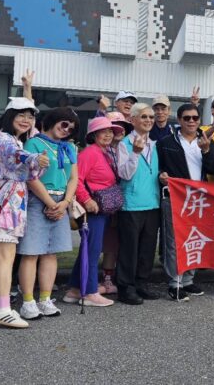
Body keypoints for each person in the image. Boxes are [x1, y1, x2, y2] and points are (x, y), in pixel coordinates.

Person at [0, 97, 48, 329]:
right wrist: (35, 158)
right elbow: (18, 156)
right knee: (6, 258)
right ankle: (4, 309)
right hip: (5, 208)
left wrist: (35, 161)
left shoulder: (6, 138)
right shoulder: (6, 139)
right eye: (21, 115)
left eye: (30, 116)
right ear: (9, 117)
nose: (26, 120)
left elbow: (24, 166)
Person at [17, 107, 79, 319]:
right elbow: (31, 177)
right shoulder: (34, 143)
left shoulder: (69, 148)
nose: (67, 130)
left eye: (71, 128)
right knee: (31, 252)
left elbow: (74, 178)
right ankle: (28, 302)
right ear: (53, 120)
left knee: (51, 253)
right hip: (39, 200)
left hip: (61, 201)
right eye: (64, 124)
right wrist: (51, 203)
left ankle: (45, 298)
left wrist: (65, 203)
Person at [62, 117, 131, 307]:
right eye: (103, 131)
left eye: (111, 131)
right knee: (92, 250)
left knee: (88, 248)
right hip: (91, 209)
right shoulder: (90, 153)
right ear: (93, 135)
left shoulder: (105, 152)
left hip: (101, 208)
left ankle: (75, 289)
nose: (108, 135)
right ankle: (90, 291)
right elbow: (76, 179)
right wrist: (86, 199)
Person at [156, 102, 214, 301]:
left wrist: (207, 151)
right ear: (179, 120)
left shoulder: (207, 140)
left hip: (198, 200)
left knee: (194, 239)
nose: (191, 121)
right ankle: (174, 283)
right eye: (187, 118)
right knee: (174, 241)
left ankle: (188, 280)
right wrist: (161, 175)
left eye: (195, 118)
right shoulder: (166, 142)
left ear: (199, 120)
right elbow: (157, 167)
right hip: (175, 197)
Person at [114, 103, 161, 305]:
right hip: (131, 204)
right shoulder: (124, 144)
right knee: (129, 249)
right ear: (132, 120)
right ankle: (125, 288)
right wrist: (135, 153)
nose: (149, 120)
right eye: (144, 117)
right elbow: (124, 174)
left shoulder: (155, 144)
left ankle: (142, 284)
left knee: (147, 249)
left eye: (151, 117)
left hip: (152, 203)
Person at [98, 111, 136, 294]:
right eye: (113, 128)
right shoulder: (100, 150)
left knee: (116, 243)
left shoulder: (127, 147)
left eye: (123, 127)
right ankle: (93, 279)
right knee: (102, 242)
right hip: (103, 202)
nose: (118, 131)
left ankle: (111, 276)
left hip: (124, 201)